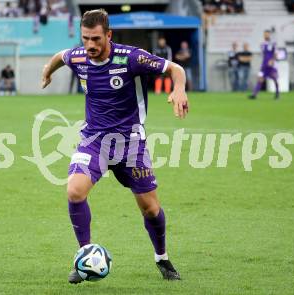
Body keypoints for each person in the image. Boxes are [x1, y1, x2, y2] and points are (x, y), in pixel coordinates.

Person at [41, 9, 188, 284]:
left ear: (108, 35)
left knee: (150, 209)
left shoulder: (132, 58)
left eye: (96, 39)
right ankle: (84, 254)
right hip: (94, 140)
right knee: (74, 191)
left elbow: (175, 69)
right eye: (85, 39)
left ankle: (162, 257)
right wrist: (47, 72)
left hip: (130, 144)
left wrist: (178, 88)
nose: (90, 45)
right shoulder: (79, 56)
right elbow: (61, 56)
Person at [249, 30, 280, 100]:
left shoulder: (273, 43)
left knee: (275, 79)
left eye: (267, 34)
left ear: (269, 35)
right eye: (264, 34)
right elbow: (264, 55)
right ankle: (254, 94)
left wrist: (272, 60)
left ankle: (277, 94)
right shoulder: (262, 44)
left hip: (272, 65)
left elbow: (275, 53)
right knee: (260, 79)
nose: (266, 35)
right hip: (264, 65)